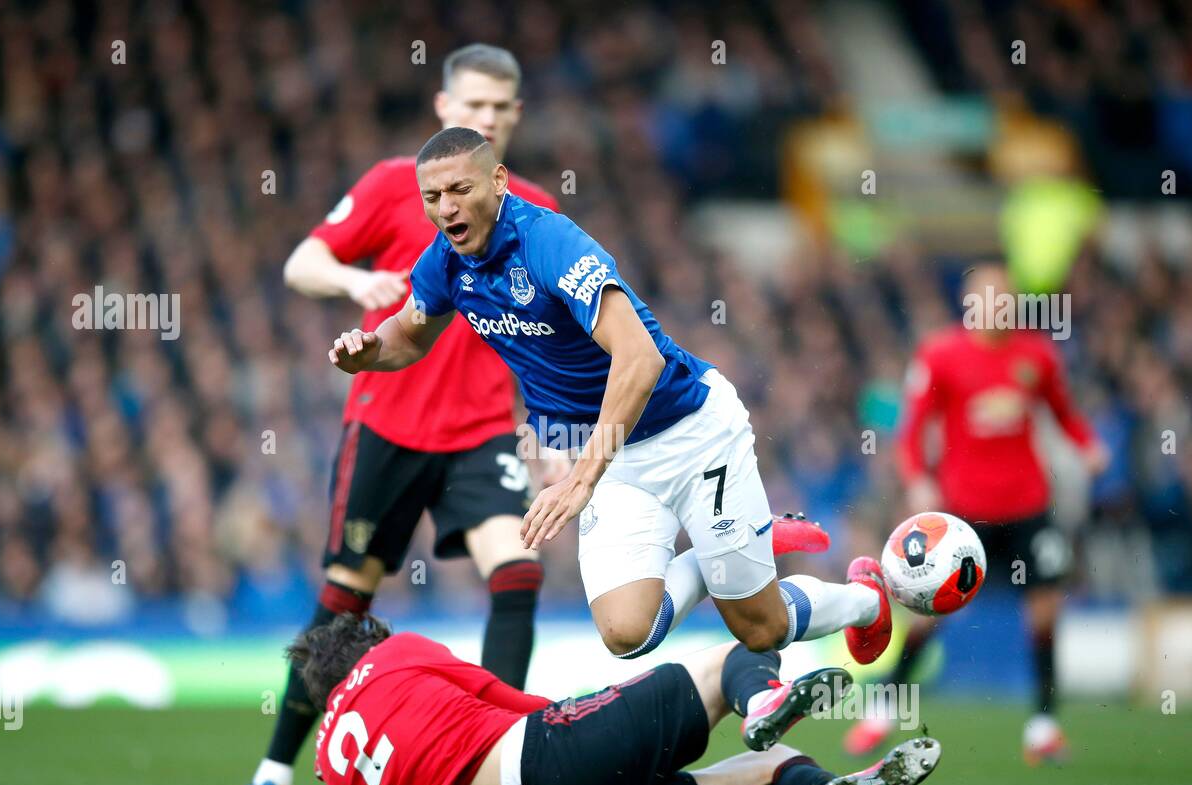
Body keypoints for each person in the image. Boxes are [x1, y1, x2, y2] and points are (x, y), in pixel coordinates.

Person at [327, 125, 896, 712]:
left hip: (690, 432)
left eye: (458, 189)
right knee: (627, 634)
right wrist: (372, 350)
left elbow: (640, 359)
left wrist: (580, 477)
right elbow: (411, 330)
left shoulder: (550, 244)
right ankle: (723, 550)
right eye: (431, 197)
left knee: (760, 628)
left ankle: (864, 600)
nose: (445, 208)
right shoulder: (446, 261)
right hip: (609, 457)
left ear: (497, 181)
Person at [228, 46, 563, 785]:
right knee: (345, 600)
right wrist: (355, 283)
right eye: (472, 105)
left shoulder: (538, 209)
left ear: (515, 117)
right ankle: (272, 774)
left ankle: (502, 750)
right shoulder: (392, 187)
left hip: (482, 433)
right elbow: (301, 262)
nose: (485, 118)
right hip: (386, 425)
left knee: (518, 572)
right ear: (444, 108)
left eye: (500, 108)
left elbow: (560, 328)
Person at [300, 612, 942, 785]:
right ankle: (762, 701)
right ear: (367, 642)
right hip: (548, 757)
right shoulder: (394, 652)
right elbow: (512, 700)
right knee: (739, 649)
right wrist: (598, 717)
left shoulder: (334, 771)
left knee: (763, 777)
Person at [844, 262, 1109, 765]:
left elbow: (1064, 414)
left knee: (1047, 611)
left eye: (1005, 298)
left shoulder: (1037, 355)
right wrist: (919, 479)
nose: (998, 308)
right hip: (963, 516)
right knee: (927, 616)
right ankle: (884, 704)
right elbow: (911, 430)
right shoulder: (940, 355)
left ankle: (1044, 725)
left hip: (1030, 506)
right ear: (969, 305)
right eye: (987, 299)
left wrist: (1088, 445)